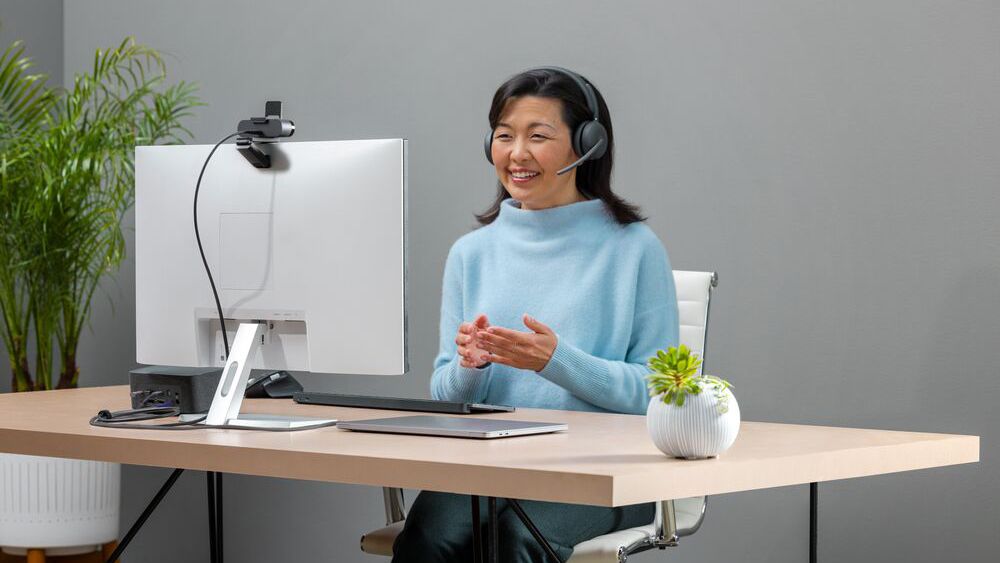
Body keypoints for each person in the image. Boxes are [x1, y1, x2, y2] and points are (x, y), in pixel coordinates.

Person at [391, 66, 679, 562]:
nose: (516, 154)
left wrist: (555, 361)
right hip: (493, 464)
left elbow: (660, 393)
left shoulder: (633, 249)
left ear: (587, 145)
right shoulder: (471, 252)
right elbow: (443, 393)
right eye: (504, 136)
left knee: (517, 539)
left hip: (606, 472)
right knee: (428, 538)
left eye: (538, 136)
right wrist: (470, 367)